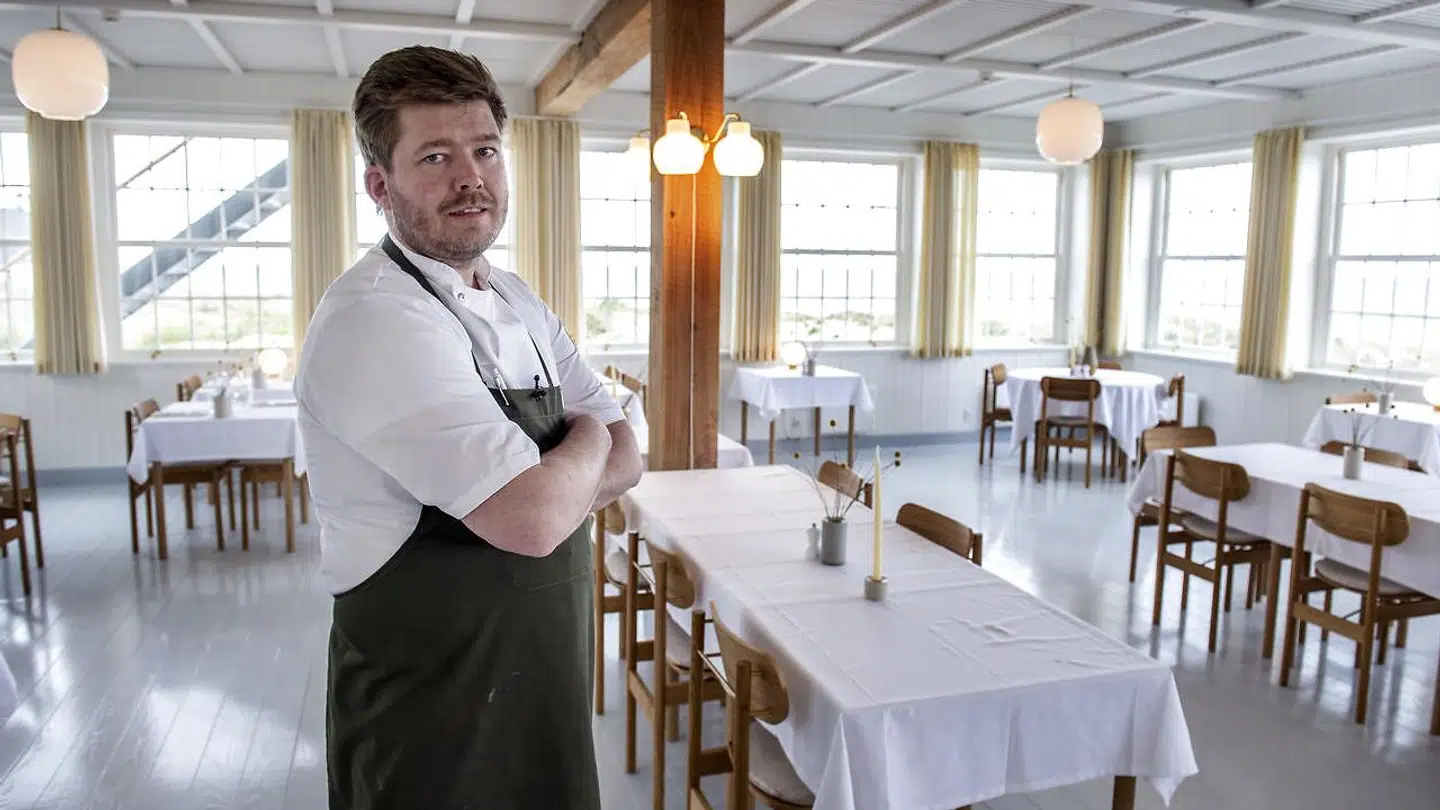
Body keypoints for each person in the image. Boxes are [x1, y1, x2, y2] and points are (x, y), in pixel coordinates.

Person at [295, 45, 643, 810]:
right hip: (429, 709)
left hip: (542, 681)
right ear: (378, 185)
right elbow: (534, 516)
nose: (470, 177)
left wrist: (577, 460)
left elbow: (633, 458)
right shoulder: (374, 319)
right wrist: (585, 435)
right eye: (436, 156)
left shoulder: (516, 296)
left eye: (485, 149)